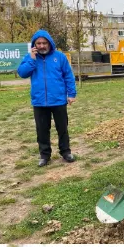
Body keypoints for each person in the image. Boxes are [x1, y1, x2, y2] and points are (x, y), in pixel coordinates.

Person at [16, 29, 77, 167]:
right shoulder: (30, 57)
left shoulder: (60, 57)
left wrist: (71, 94)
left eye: (44, 43)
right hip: (39, 101)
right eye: (39, 43)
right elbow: (22, 73)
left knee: (62, 128)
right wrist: (31, 60)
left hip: (58, 100)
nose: (42, 46)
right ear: (34, 44)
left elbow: (68, 76)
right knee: (42, 130)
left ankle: (65, 152)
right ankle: (44, 155)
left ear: (50, 43)